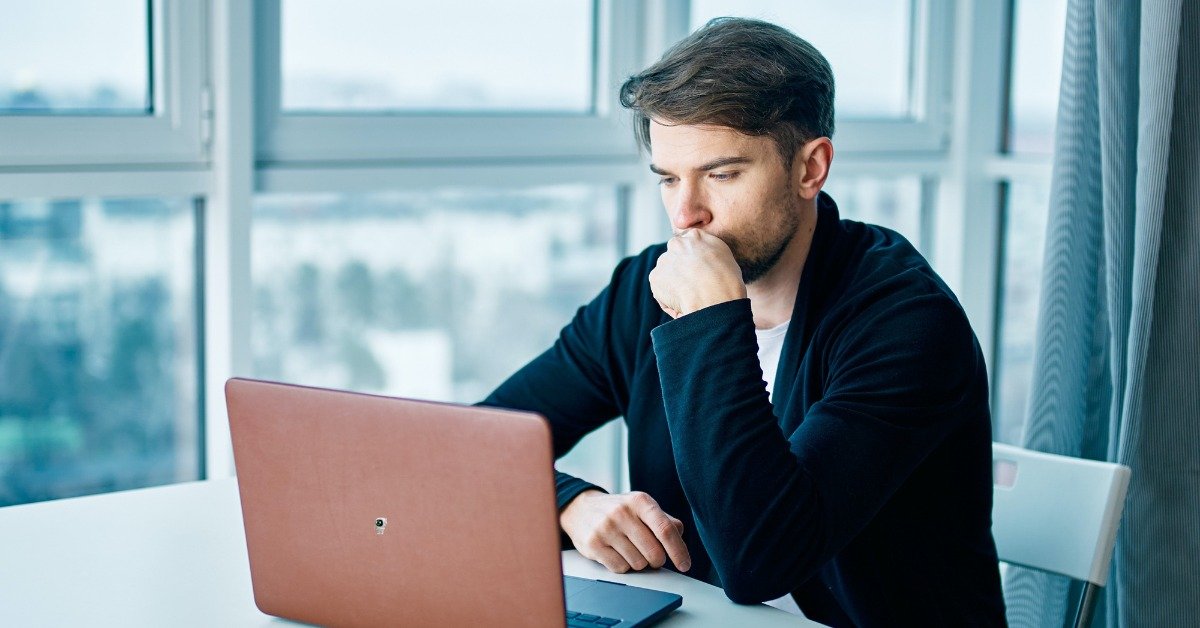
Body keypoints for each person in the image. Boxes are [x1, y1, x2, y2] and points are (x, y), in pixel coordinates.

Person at [482, 17, 1006, 626]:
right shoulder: (642, 290)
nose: (686, 214)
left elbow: (760, 558)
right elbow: (478, 446)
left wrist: (710, 323)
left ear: (810, 168)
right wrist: (570, 505)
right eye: (669, 179)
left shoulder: (908, 323)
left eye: (722, 174)